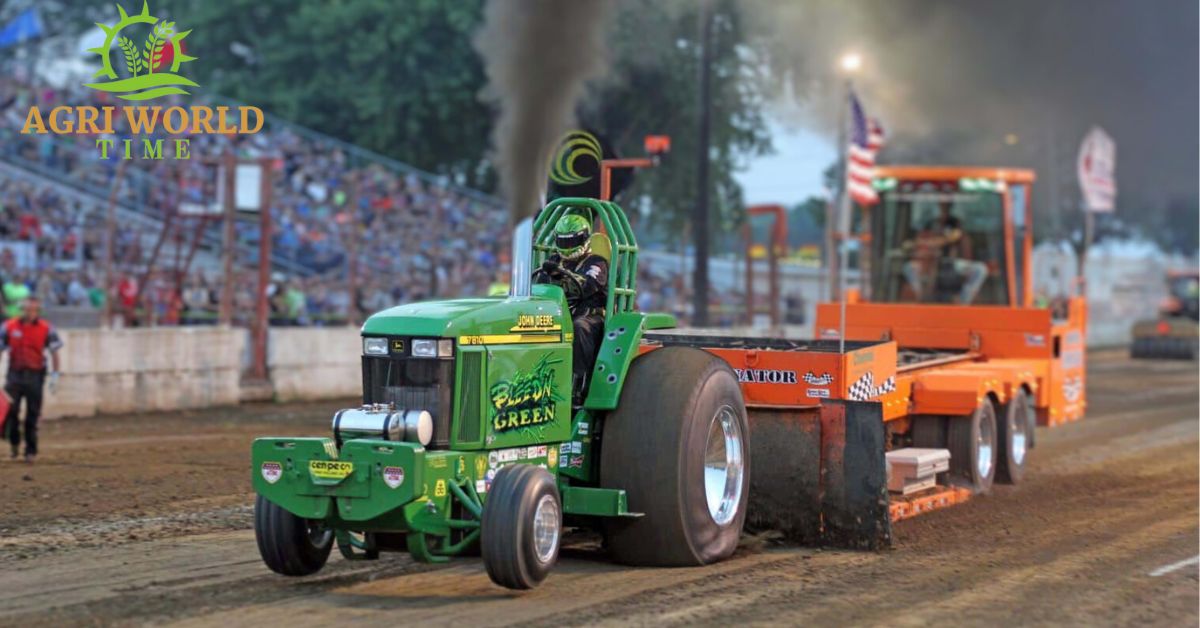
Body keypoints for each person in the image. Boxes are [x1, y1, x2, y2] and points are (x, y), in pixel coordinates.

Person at [533, 213, 607, 405]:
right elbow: (540, 287)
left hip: (590, 316)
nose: (567, 246)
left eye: (572, 241)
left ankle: (578, 383)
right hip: (558, 314)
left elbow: (587, 287)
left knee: (579, 327)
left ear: (584, 238)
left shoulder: (597, 262)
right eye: (563, 242)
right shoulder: (553, 260)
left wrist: (559, 275)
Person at [0, 297, 62, 462]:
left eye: (34, 310)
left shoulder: (46, 328)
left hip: (35, 375)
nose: (30, 313)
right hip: (14, 374)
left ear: (38, 311)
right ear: (23, 309)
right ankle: (14, 442)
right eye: (28, 309)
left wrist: (55, 374)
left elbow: (54, 351)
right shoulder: (9, 326)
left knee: (32, 414)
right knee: (10, 411)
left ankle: (30, 450)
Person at [902, 201, 988, 304]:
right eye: (941, 204)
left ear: (950, 206)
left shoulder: (954, 222)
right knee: (909, 267)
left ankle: (963, 300)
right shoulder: (931, 222)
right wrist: (918, 244)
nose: (943, 207)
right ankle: (919, 295)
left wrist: (935, 242)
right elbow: (921, 238)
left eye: (946, 205)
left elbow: (955, 236)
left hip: (953, 262)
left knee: (980, 269)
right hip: (928, 261)